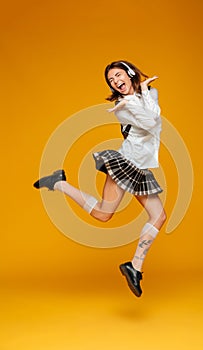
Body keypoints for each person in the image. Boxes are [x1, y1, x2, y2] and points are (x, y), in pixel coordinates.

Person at [33, 60, 166, 297]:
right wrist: (133, 101)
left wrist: (144, 92)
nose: (116, 82)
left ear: (130, 72)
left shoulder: (148, 93)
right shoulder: (121, 106)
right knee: (147, 215)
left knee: (107, 214)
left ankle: (59, 182)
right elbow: (149, 123)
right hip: (128, 162)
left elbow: (155, 119)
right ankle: (134, 267)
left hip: (141, 166)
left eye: (117, 76)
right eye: (111, 81)